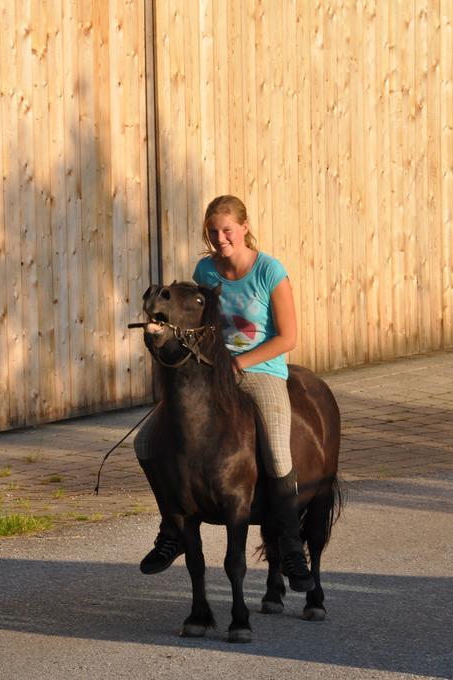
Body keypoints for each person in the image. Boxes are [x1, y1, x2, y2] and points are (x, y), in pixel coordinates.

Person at [136, 194, 314, 592]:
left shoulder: (270, 271)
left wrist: (239, 363)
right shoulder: (205, 270)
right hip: (208, 374)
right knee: (146, 441)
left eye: (227, 230)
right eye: (213, 231)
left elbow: (288, 338)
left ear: (245, 228)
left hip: (260, 373)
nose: (220, 238)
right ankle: (172, 531)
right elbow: (194, 324)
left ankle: (289, 547)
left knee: (279, 451)